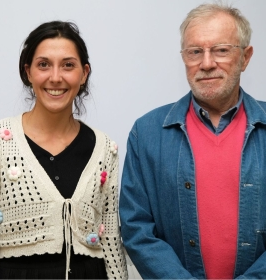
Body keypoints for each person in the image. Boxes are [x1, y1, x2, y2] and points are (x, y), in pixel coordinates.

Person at [0, 21, 128, 279]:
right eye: (44, 64)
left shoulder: (105, 148)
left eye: (68, 65)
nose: (56, 77)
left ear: (84, 73)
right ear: (28, 72)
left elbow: (111, 244)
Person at [120, 3, 266, 279]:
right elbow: (135, 227)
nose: (207, 63)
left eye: (221, 50)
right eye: (195, 52)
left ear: (246, 57)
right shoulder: (147, 133)